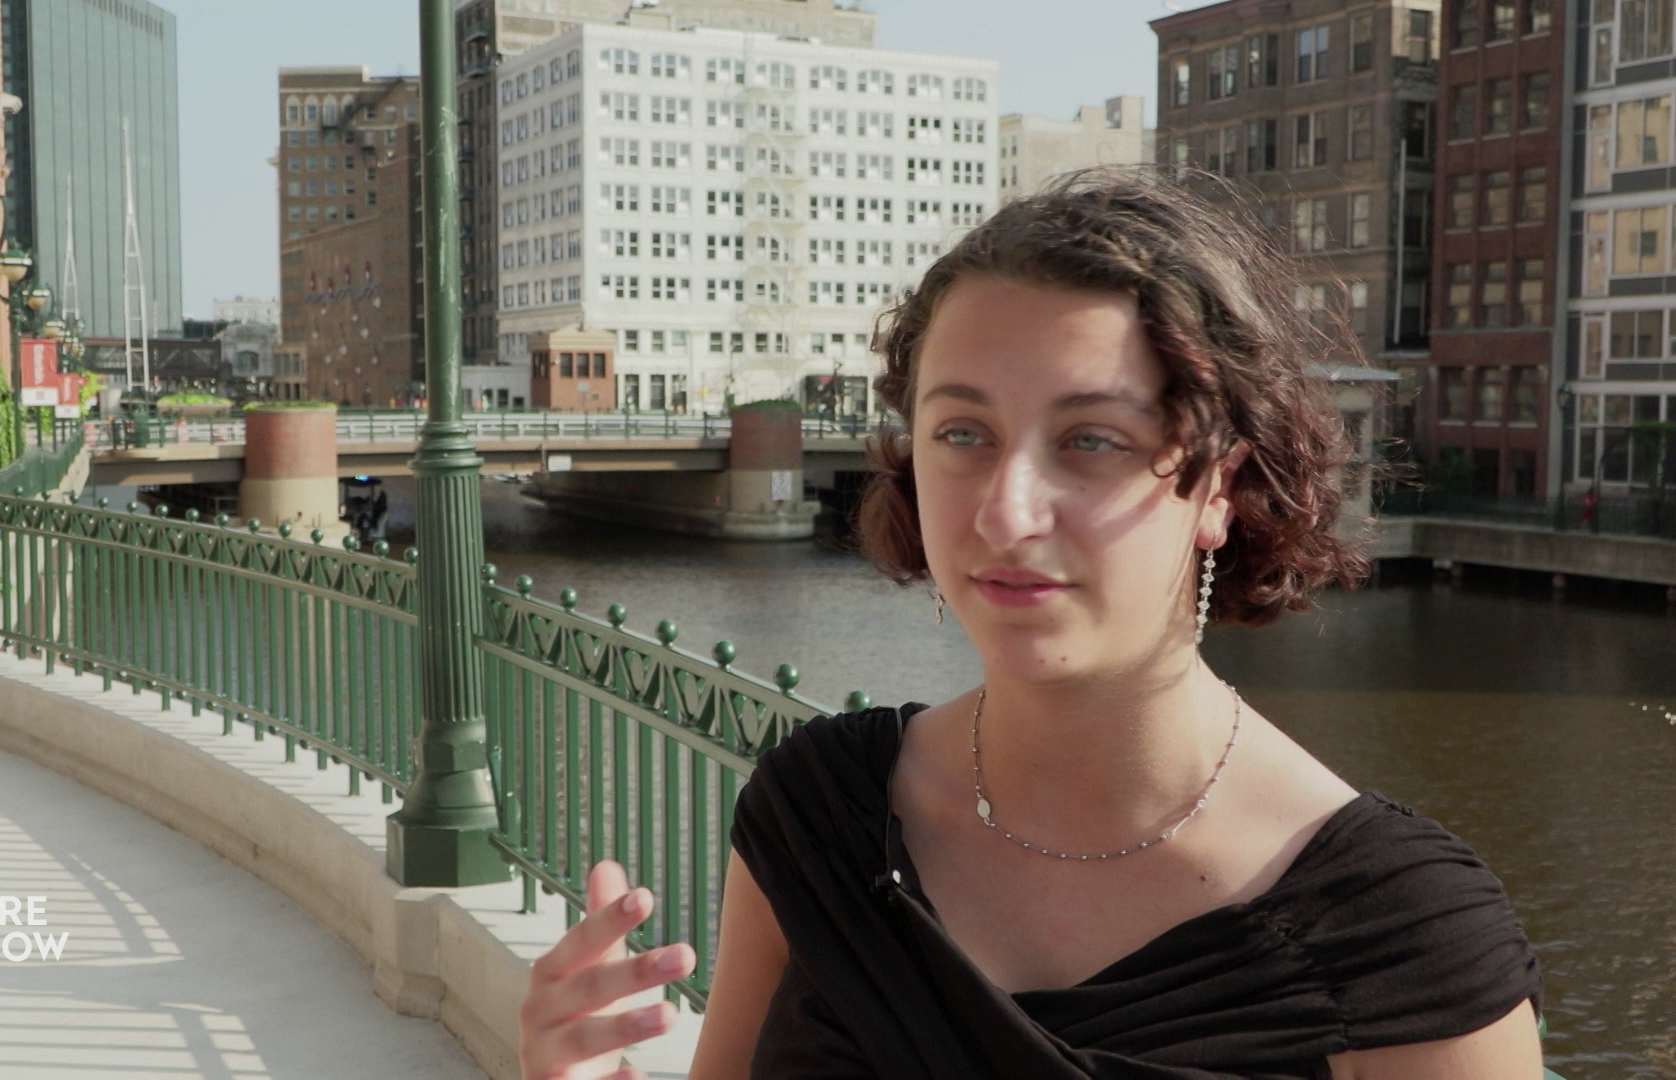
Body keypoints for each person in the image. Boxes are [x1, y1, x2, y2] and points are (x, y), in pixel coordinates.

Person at [517, 167, 1545, 1079]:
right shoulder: (819, 813)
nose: (1006, 512)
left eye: (1090, 439)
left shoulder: (1405, 942)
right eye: (963, 432)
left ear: (1219, 487)